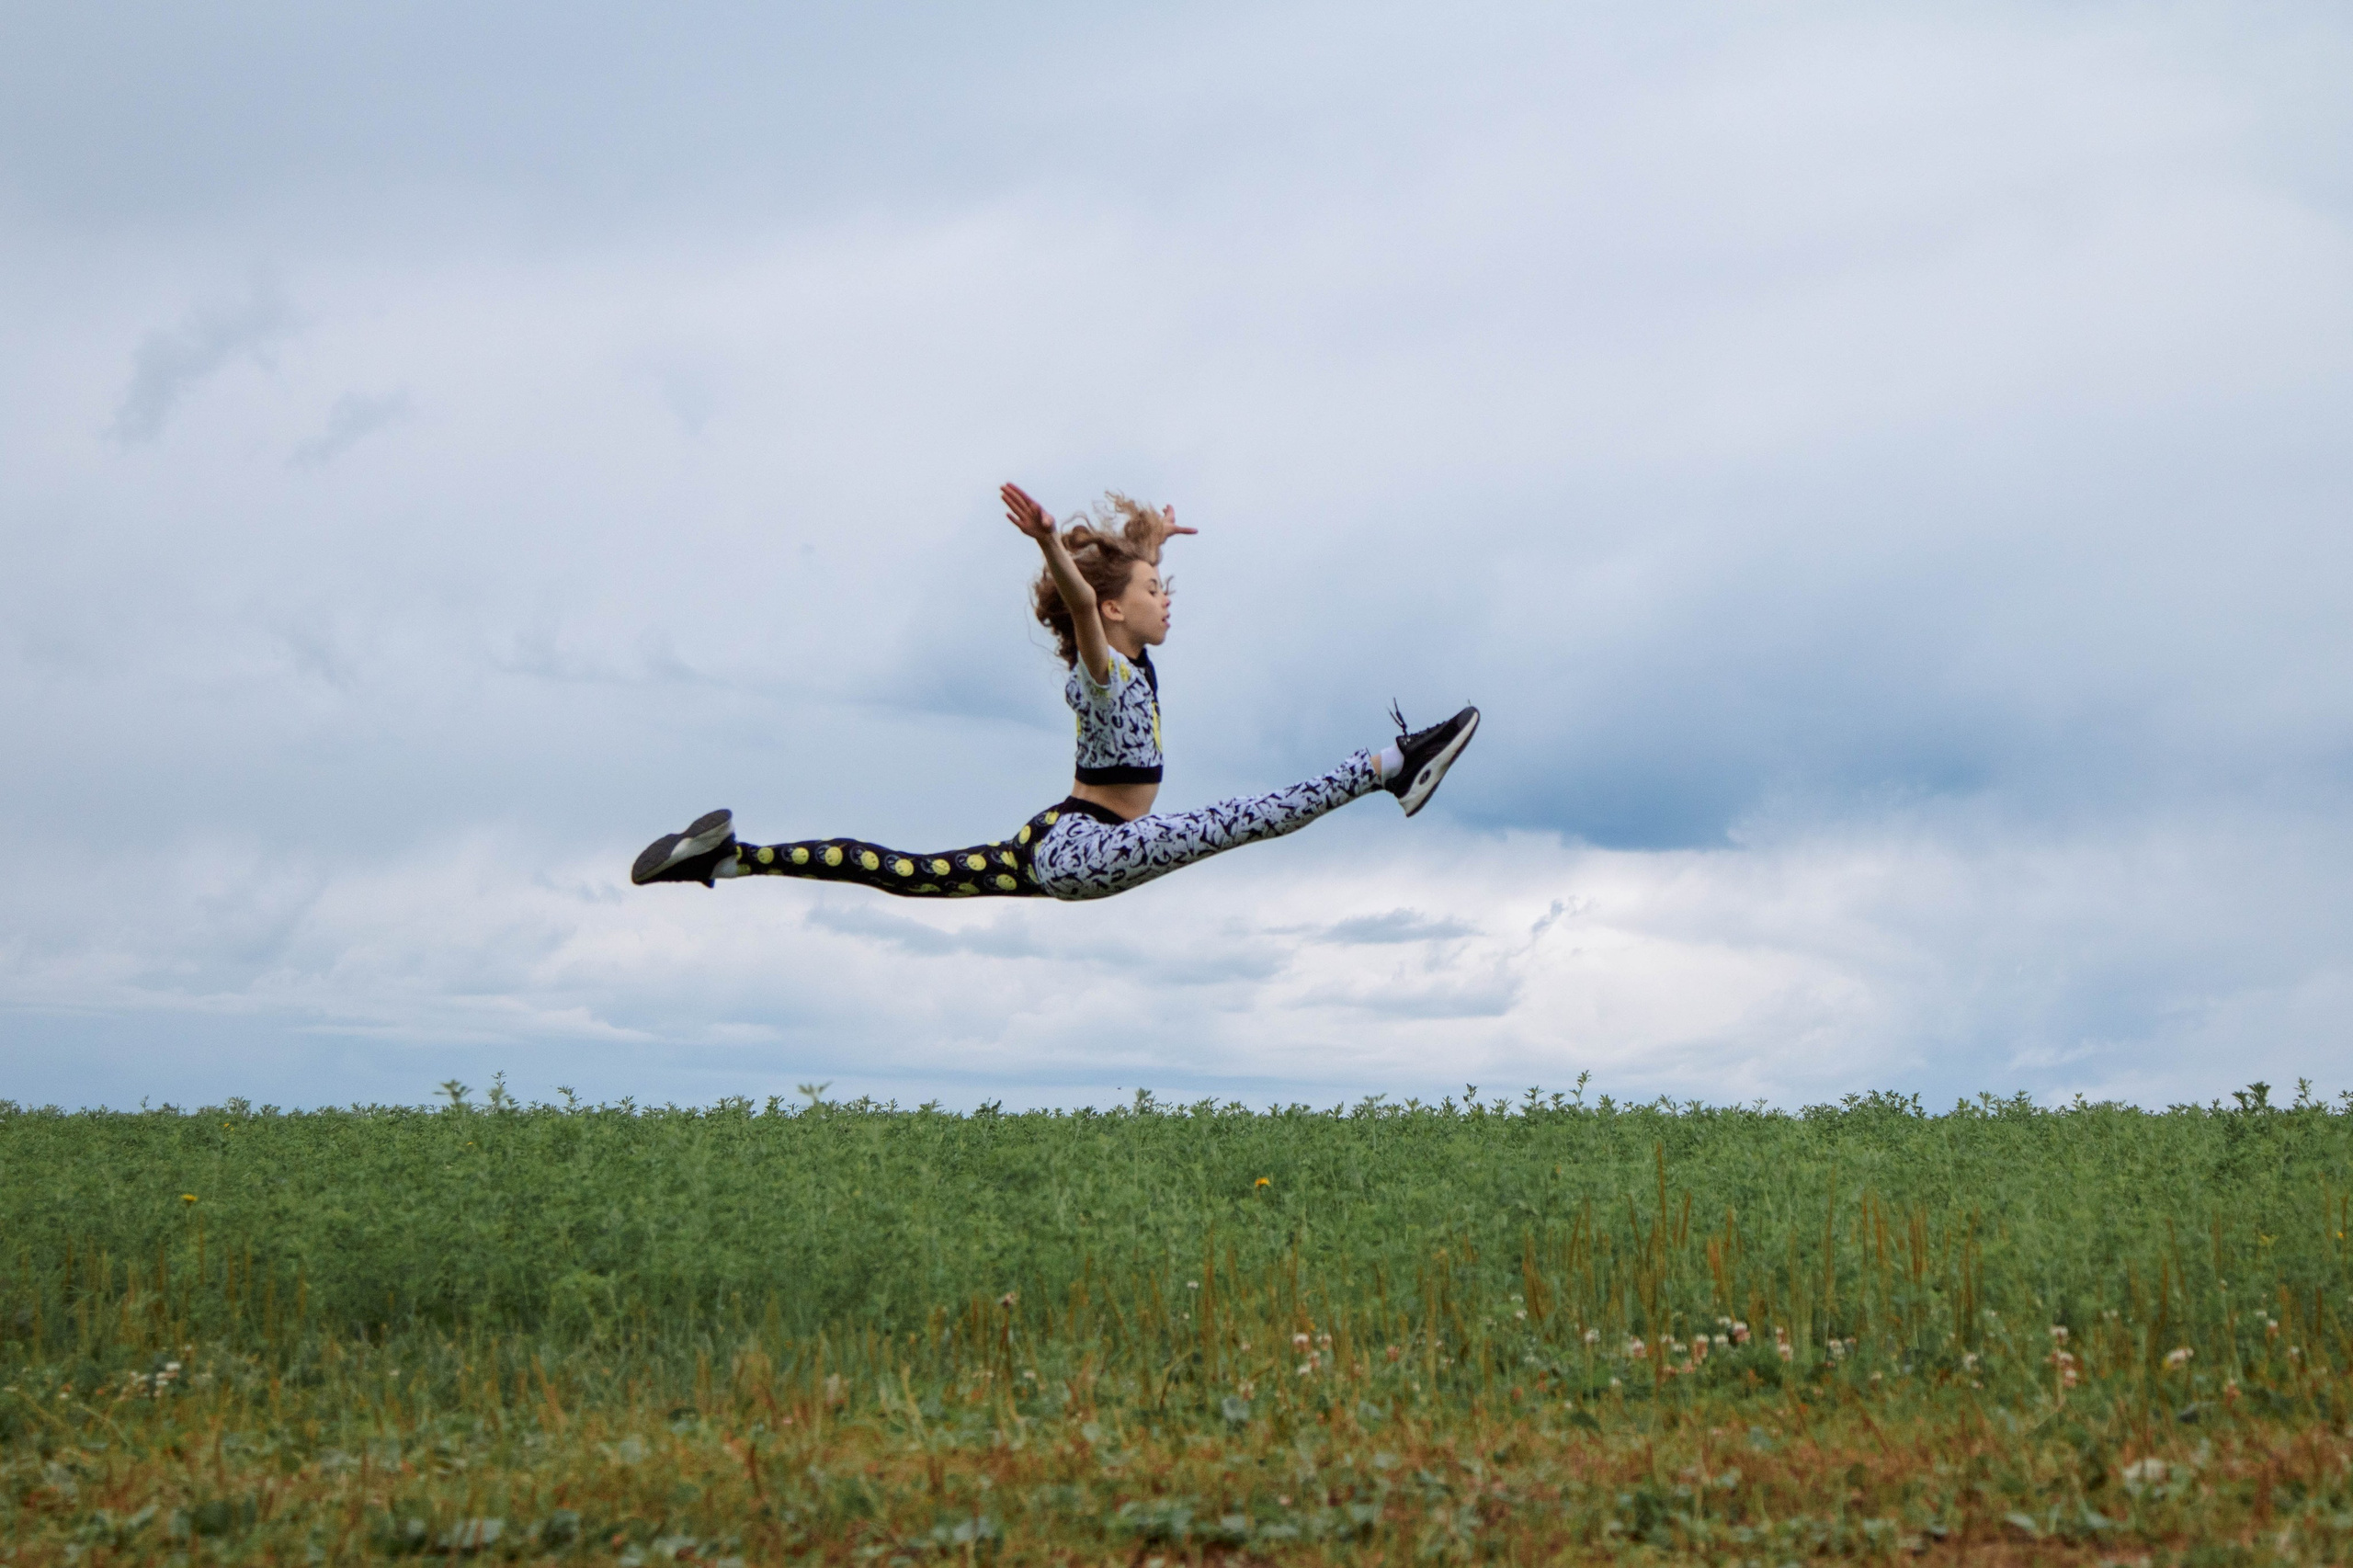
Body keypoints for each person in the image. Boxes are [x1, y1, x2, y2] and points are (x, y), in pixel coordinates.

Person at [631, 483, 1479, 900]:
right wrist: (1049, 547)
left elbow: (1115, 585)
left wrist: (1149, 536)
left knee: (905, 873)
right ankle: (1392, 764)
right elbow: (1083, 601)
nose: (1168, 597)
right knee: (1247, 817)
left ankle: (726, 859)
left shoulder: (1130, 654)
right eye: (1155, 589)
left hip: (1061, 836)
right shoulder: (1103, 674)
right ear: (1112, 610)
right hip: (1088, 846)